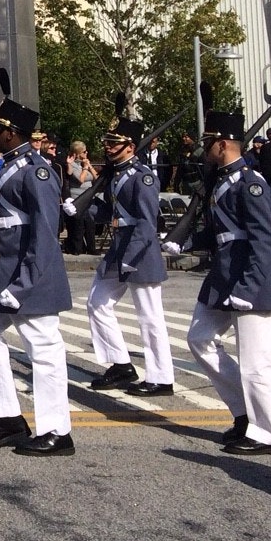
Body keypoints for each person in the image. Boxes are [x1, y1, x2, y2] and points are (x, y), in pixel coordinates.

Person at [0, 85, 75, 456]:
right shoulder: (11, 165)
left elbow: (45, 233)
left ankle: (57, 431)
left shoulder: (36, 171)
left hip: (32, 276)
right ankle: (7, 417)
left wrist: (23, 283)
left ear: (11, 132)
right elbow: (4, 228)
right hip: (3, 271)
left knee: (43, 348)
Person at [173, 101, 271, 454]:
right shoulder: (222, 181)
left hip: (251, 281)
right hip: (223, 277)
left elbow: (263, 240)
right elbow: (221, 232)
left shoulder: (250, 183)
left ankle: (268, 433)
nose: (204, 151)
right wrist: (185, 242)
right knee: (200, 338)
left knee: (255, 364)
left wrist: (248, 287)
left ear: (223, 145)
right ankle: (244, 413)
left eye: (209, 145)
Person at [77, 109, 176, 397]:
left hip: (137, 251)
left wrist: (130, 259)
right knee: (97, 303)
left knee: (149, 316)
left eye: (113, 143)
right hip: (118, 249)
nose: (107, 147)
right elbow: (112, 212)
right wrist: (81, 208)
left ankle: (161, 376)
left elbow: (146, 223)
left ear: (130, 147)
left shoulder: (142, 177)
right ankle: (120, 364)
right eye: (106, 142)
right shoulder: (117, 174)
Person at [62, 140, 97, 254]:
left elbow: (96, 177)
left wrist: (89, 166)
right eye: (84, 152)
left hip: (89, 196)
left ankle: (91, 247)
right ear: (77, 153)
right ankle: (78, 247)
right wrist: (85, 168)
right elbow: (80, 180)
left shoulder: (85, 163)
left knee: (90, 222)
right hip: (78, 197)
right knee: (80, 223)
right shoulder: (73, 165)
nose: (86, 154)